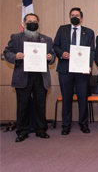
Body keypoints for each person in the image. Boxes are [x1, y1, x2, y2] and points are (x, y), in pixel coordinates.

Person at [4, 13, 56, 142]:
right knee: (23, 105)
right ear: (24, 24)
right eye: (29, 21)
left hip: (40, 77)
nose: (32, 23)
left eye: (35, 21)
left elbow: (53, 56)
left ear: (38, 24)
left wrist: (50, 58)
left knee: (40, 105)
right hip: (23, 77)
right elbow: (7, 52)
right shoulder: (16, 38)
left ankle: (40, 130)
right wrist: (15, 56)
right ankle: (22, 131)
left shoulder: (47, 39)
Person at [53, 7, 95, 135]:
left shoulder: (89, 32)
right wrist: (61, 54)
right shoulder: (62, 29)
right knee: (66, 98)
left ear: (81, 18)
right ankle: (66, 125)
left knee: (83, 98)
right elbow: (55, 46)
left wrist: (88, 65)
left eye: (77, 15)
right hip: (65, 69)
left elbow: (92, 50)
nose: (74, 17)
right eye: (72, 15)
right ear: (69, 17)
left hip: (82, 70)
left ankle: (83, 124)